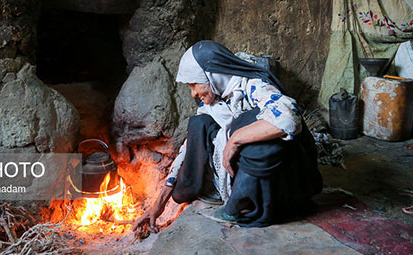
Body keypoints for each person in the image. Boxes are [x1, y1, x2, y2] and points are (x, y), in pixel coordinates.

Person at [133, 41, 322, 232]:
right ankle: (228, 194)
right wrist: (158, 205)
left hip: (288, 181)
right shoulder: (216, 100)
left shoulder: (252, 86)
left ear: (212, 75)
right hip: (247, 175)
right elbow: (188, 147)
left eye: (194, 85)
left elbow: (289, 117)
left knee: (247, 123)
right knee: (199, 124)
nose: (193, 93)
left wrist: (235, 138)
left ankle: (247, 206)